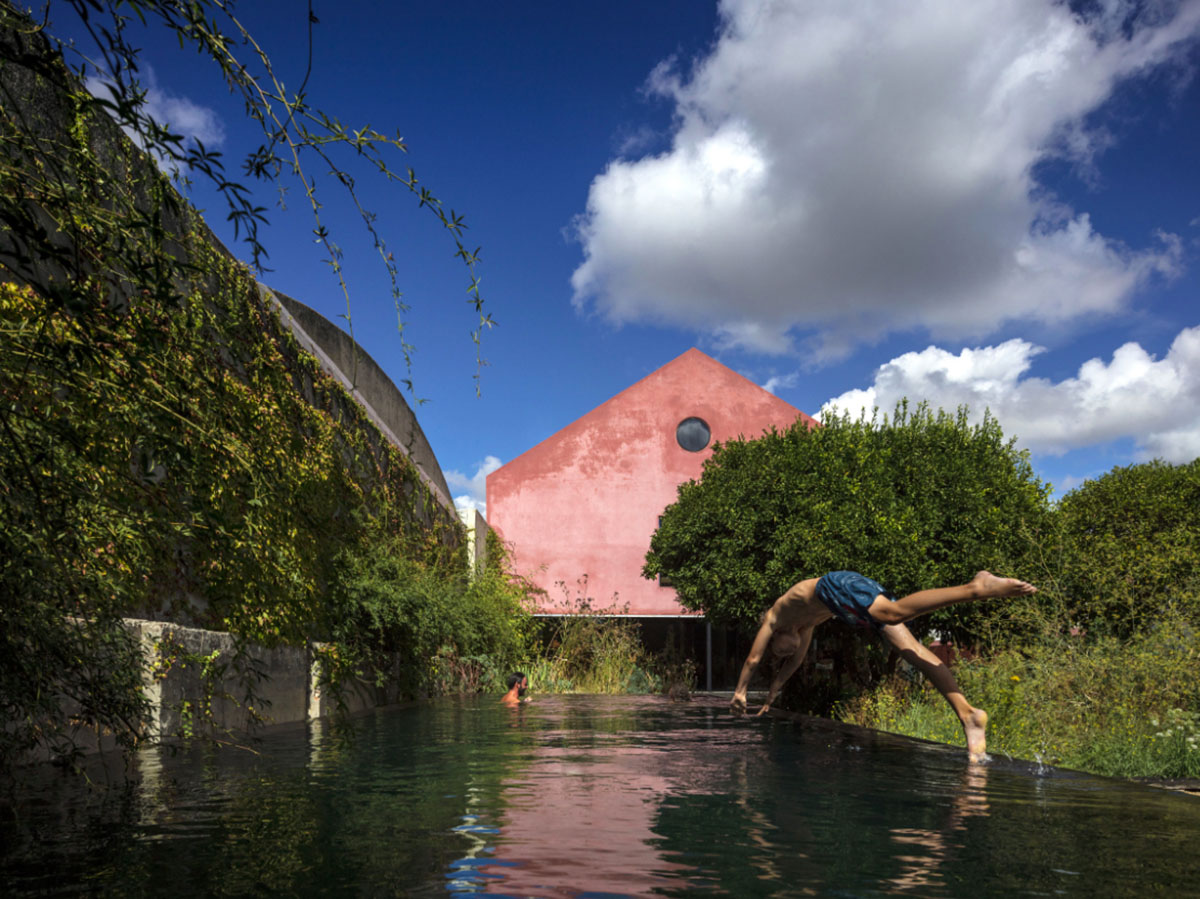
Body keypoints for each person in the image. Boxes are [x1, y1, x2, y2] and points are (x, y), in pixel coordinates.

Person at [730, 570, 1036, 760]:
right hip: (843, 605)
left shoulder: (775, 618)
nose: (786, 654)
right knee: (909, 648)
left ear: (774, 637)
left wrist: (740, 692)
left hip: (835, 586)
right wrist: (772, 693)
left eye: (779, 652)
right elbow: (793, 666)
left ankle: (976, 587)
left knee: (892, 613)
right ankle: (968, 715)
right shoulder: (804, 627)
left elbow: (753, 659)